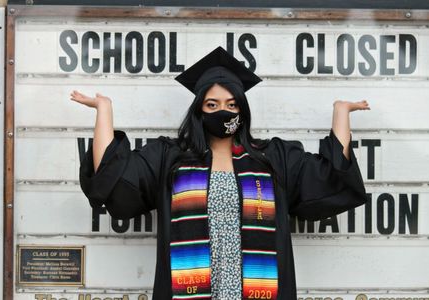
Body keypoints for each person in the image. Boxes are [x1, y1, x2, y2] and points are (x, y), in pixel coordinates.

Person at [71, 46, 370, 300]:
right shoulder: (171, 159)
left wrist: (340, 112)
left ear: (242, 108)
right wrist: (104, 110)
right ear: (199, 110)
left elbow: (331, 179)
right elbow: (114, 179)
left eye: (231, 104)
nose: (223, 112)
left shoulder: (272, 159)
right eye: (212, 104)